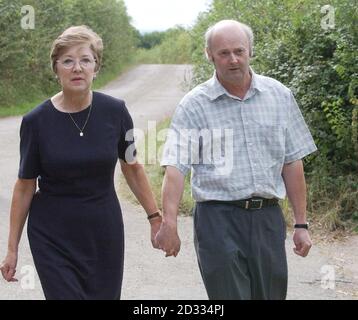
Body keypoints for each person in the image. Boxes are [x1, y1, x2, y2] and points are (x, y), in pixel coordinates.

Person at [156, 20, 317, 300]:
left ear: (250, 51)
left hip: (267, 218)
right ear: (209, 55)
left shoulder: (279, 96)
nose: (233, 59)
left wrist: (301, 224)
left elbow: (292, 162)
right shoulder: (195, 104)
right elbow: (175, 167)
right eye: (223, 53)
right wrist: (169, 223)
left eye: (239, 51)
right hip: (217, 220)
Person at [0, 25, 162, 300]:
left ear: (96, 67)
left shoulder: (116, 111)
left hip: (103, 230)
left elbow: (131, 166)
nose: (77, 68)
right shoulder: (35, 121)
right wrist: (12, 248)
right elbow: (25, 185)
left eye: (85, 60)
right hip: (52, 234)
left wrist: (155, 218)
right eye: (68, 61)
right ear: (56, 69)